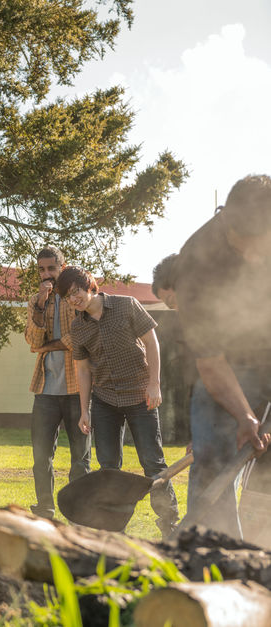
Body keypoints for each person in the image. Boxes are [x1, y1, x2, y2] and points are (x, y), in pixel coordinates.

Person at [172, 175, 271, 538]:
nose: (253, 258)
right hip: (231, 363)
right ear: (226, 218)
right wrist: (244, 415)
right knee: (212, 459)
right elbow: (211, 361)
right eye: (242, 247)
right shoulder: (196, 265)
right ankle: (216, 554)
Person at [57, 266, 179, 537]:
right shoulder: (78, 328)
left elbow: (151, 342)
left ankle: (170, 527)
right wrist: (85, 410)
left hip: (140, 396)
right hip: (105, 401)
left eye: (75, 291)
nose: (73, 299)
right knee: (109, 467)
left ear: (89, 285)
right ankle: (112, 531)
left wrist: (154, 383)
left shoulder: (126, 306)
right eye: (67, 296)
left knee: (153, 463)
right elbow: (83, 370)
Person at [23, 246, 90, 519]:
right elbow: (32, 341)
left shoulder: (76, 298)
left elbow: (79, 339)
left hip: (78, 389)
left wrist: (47, 347)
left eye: (51, 268)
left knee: (80, 460)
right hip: (46, 390)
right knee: (41, 457)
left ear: (62, 267)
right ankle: (45, 509)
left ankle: (78, 511)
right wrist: (41, 302)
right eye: (41, 269)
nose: (46, 274)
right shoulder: (36, 301)